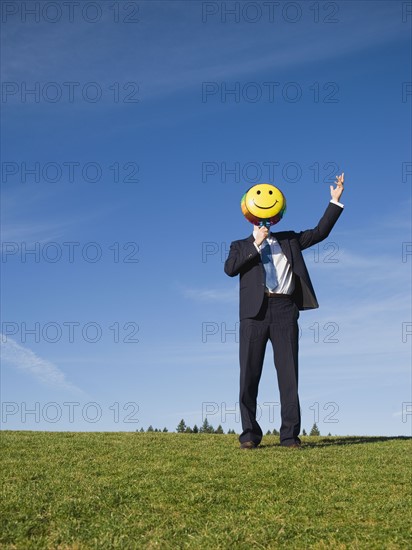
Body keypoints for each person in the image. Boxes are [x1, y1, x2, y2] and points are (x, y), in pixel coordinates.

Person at [224, 174, 345, 449]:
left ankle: (289, 436)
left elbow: (320, 232)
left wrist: (334, 201)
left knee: (289, 375)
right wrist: (256, 243)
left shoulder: (290, 240)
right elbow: (230, 269)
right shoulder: (240, 246)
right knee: (249, 376)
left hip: (284, 309)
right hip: (254, 314)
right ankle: (250, 436)